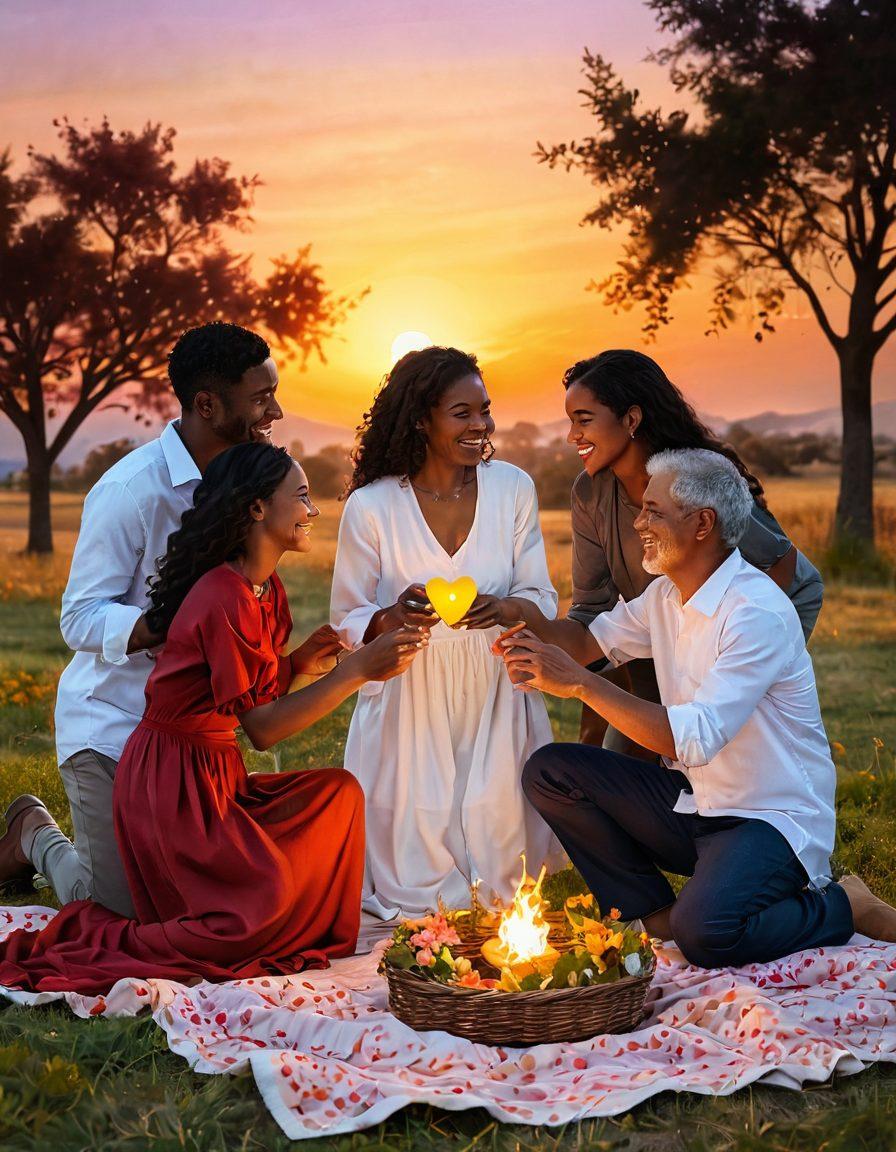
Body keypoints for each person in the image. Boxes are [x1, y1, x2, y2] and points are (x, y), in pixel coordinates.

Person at [0, 442, 425, 994]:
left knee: (338, 794)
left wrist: (299, 664)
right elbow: (263, 726)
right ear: (255, 509)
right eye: (300, 496)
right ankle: (79, 893)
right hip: (169, 783)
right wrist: (357, 672)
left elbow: (249, 694)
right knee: (258, 898)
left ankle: (266, 923)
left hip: (214, 775)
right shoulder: (221, 594)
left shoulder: (266, 591)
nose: (313, 510)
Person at [497, 448, 896, 968]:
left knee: (708, 935)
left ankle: (842, 903)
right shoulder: (666, 595)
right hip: (695, 803)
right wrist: (510, 617)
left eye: (653, 511)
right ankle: (654, 914)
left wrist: (579, 686)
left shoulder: (756, 612)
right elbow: (584, 644)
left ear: (703, 523)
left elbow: (693, 736)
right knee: (551, 771)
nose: (638, 521)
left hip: (768, 820)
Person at [0, 321, 303, 913]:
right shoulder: (131, 491)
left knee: (207, 902)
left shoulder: (247, 486)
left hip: (187, 746)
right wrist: (166, 625)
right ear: (207, 405)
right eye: (261, 398)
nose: (278, 411)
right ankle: (33, 833)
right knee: (116, 909)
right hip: (112, 729)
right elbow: (79, 618)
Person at [330, 346, 563, 919]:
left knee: (496, 832)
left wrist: (503, 608)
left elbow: (544, 601)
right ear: (420, 418)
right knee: (418, 850)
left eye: (485, 409)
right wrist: (393, 617)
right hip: (412, 692)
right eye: (462, 412)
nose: (480, 424)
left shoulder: (512, 488)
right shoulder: (373, 505)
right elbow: (347, 617)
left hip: (496, 683)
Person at [557, 350, 824, 753]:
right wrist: (518, 618)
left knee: (710, 746)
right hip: (653, 633)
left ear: (631, 419)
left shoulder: (696, 480)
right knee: (610, 759)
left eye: (584, 420)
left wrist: (701, 660)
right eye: (570, 421)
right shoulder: (589, 492)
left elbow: (781, 567)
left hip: (740, 624)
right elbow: (592, 610)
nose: (572, 435)